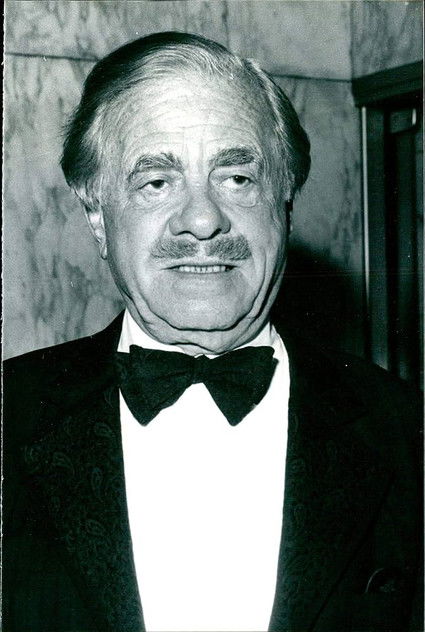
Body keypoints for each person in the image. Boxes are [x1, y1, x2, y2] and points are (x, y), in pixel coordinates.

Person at [3, 32, 422, 632]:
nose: (202, 220)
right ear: (97, 216)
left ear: (286, 201)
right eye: (156, 182)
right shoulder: (10, 416)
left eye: (237, 178)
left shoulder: (406, 435)